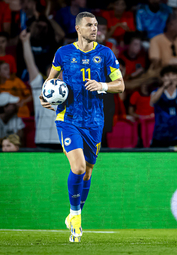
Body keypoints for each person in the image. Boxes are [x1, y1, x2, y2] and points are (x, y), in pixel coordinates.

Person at [39, 12, 124, 242]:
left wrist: (103, 85)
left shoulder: (105, 54)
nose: (94, 28)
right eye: (89, 25)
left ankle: (74, 214)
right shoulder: (63, 53)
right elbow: (50, 80)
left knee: (87, 173)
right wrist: (45, 96)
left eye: (96, 25)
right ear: (78, 28)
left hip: (95, 121)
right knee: (77, 168)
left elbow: (120, 85)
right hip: (68, 118)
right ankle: (76, 216)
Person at [20, 29, 61, 149]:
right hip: (43, 141)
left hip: (66, 143)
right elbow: (30, 64)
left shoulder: (73, 90)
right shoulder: (40, 87)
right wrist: (25, 41)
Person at [150, 65, 177, 147]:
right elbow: (152, 102)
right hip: (160, 134)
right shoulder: (156, 92)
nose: (170, 78)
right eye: (167, 75)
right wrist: (164, 87)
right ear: (162, 78)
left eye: (173, 74)